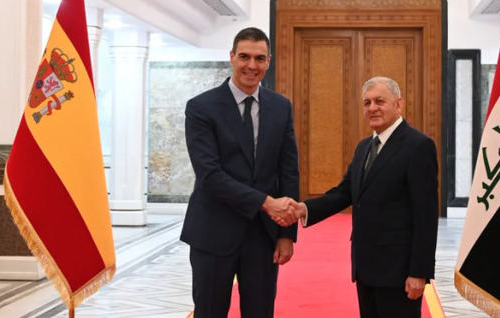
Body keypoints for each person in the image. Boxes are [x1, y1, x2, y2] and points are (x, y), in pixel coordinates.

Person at [283, 76, 439, 318]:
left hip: (399, 272)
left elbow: (426, 215)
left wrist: (419, 272)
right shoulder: (363, 147)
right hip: (366, 267)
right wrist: (304, 209)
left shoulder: (418, 146)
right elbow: (345, 192)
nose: (372, 108)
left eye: (380, 101)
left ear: (399, 104)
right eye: (366, 103)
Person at [181, 27, 299, 318]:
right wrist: (266, 202)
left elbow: (288, 171)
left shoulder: (281, 107)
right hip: (212, 232)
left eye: (260, 58)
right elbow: (210, 175)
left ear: (268, 61)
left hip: (263, 236)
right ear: (232, 57)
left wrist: (287, 234)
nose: (252, 65)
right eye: (244, 56)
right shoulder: (200, 107)